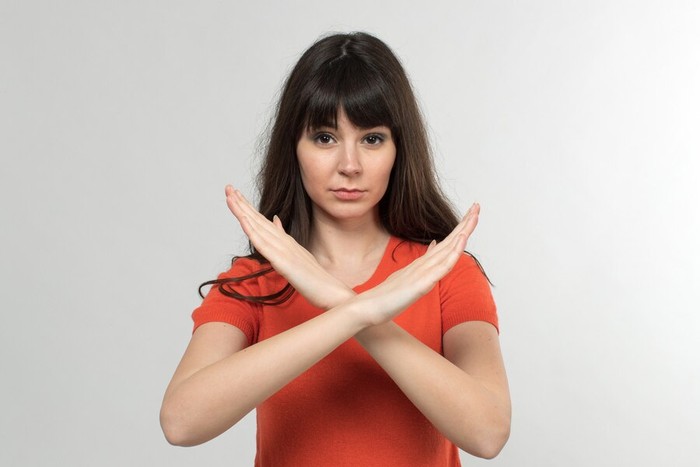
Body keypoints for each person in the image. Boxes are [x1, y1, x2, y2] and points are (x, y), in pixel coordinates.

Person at [160, 32, 511, 466]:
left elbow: (487, 433)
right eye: (325, 138)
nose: (350, 165)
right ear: (294, 147)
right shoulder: (255, 282)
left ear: (399, 149)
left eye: (372, 139)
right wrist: (357, 311)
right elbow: (181, 423)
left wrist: (339, 302)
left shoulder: (443, 273)